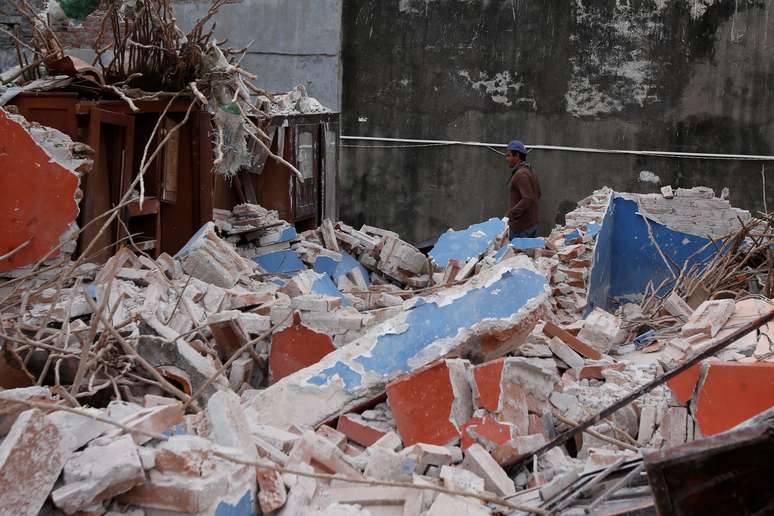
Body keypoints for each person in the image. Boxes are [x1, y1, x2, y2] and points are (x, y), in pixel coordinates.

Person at [505, 139, 541, 239]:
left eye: (508, 155)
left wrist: (511, 214)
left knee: (517, 254)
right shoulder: (530, 171)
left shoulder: (521, 174)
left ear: (517, 156)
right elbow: (537, 194)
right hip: (531, 225)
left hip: (521, 228)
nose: (506, 158)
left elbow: (528, 199)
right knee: (527, 254)